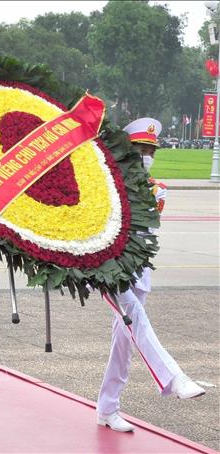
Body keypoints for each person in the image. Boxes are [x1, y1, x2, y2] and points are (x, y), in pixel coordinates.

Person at [96, 118, 205, 432]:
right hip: (109, 269)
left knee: (124, 342)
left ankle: (107, 407)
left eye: (150, 151)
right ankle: (174, 377)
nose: (146, 155)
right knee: (135, 318)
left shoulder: (157, 189)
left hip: (138, 270)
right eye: (140, 149)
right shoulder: (106, 184)